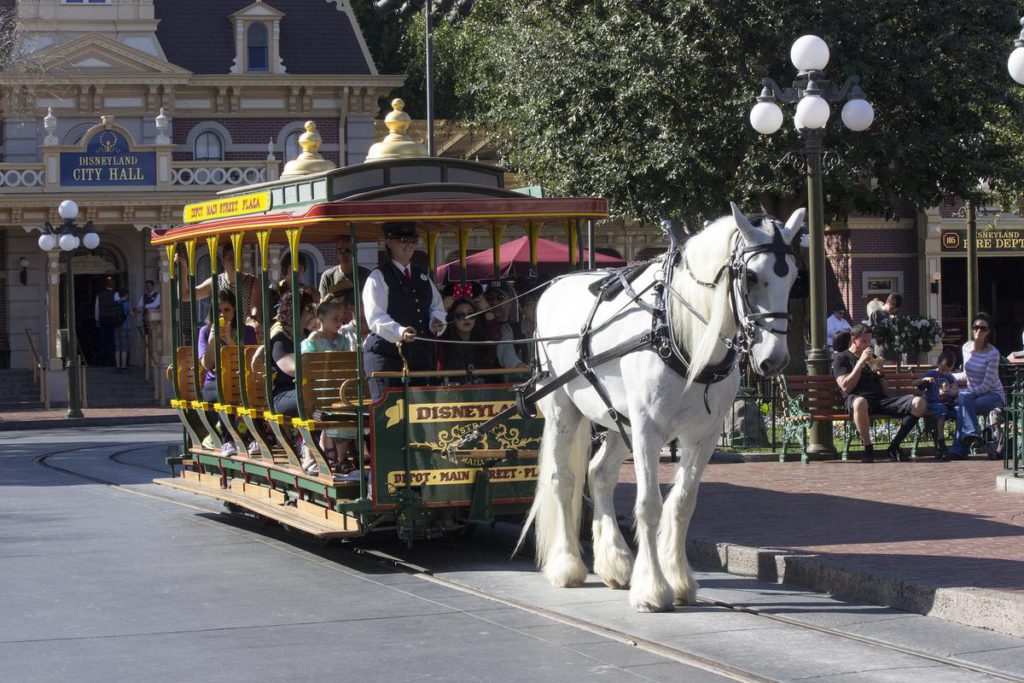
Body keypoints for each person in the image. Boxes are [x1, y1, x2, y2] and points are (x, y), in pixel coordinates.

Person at [362, 222, 446, 400]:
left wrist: (436, 321)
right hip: (386, 357)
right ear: (389, 242)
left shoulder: (422, 276)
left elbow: (436, 307)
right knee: (390, 412)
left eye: (412, 240)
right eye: (402, 240)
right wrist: (399, 331)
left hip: (418, 357)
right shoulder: (378, 277)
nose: (409, 245)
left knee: (421, 414)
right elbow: (375, 317)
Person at [832, 323, 928, 463]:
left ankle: (894, 446)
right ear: (853, 340)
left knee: (918, 403)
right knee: (860, 402)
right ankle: (868, 449)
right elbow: (846, 387)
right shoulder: (841, 358)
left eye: (869, 341)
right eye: (864, 341)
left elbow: (886, 390)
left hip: (880, 399)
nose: (868, 344)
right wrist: (860, 363)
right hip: (857, 400)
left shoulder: (873, 357)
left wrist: (880, 374)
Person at [197, 289, 257, 455]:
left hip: (240, 379)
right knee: (225, 387)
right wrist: (212, 340)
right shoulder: (205, 331)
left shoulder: (247, 332)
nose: (222, 315)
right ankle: (227, 440)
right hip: (214, 383)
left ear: (234, 311)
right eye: (219, 311)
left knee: (256, 387)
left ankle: (255, 437)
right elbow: (207, 365)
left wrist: (230, 341)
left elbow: (249, 362)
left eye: (227, 310)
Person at [301, 294, 356, 471]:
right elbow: (307, 365)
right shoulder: (313, 340)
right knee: (331, 410)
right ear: (322, 319)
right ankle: (334, 453)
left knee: (346, 410)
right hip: (319, 391)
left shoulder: (342, 340)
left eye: (341, 319)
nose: (339, 323)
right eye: (335, 319)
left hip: (337, 390)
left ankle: (341, 457)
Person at [948, 312, 1005, 460]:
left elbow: (986, 385)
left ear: (988, 332)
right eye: (975, 327)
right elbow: (966, 374)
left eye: (983, 328)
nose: (978, 331)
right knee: (963, 405)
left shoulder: (993, 354)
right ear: (972, 329)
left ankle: (960, 448)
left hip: (993, 395)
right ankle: (970, 437)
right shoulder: (966, 348)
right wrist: (948, 376)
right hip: (972, 396)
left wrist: (965, 393)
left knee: (963, 403)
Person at [194, 245, 260, 325]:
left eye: (237, 257)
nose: (234, 261)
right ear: (223, 261)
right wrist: (182, 267)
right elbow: (186, 295)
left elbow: (255, 307)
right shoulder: (216, 281)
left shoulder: (252, 281)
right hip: (222, 330)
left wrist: (252, 319)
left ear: (241, 260)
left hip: (244, 331)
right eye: (230, 257)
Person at [437, 298, 496, 380]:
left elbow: (495, 337)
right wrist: (441, 311)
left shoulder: (482, 340)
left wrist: (488, 310)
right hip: (452, 390)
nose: (466, 318)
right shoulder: (444, 342)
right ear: (452, 318)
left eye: (471, 314)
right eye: (460, 315)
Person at [917, 348, 959, 459]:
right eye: (943, 369)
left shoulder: (950, 377)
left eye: (948, 370)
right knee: (941, 408)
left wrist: (949, 392)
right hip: (933, 404)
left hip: (948, 405)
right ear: (938, 363)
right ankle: (941, 440)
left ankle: (959, 444)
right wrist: (925, 380)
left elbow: (955, 390)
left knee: (961, 413)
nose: (945, 372)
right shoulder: (932, 373)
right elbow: (914, 383)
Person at [319, 234, 372, 300]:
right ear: (336, 252)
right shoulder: (328, 276)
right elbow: (322, 305)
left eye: (349, 250)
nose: (345, 254)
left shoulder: (367, 275)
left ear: (355, 252)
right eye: (341, 250)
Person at [497, 289, 539, 371]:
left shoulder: (548, 330)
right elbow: (506, 352)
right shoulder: (509, 329)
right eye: (530, 305)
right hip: (517, 380)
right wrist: (519, 365)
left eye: (538, 304)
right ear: (521, 308)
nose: (535, 309)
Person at [94, 277, 121, 367]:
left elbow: (97, 308)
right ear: (113, 285)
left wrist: (97, 319)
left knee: (103, 340)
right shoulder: (115, 294)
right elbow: (118, 305)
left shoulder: (99, 295)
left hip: (102, 318)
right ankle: (111, 361)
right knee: (111, 340)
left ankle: (103, 361)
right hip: (111, 319)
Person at [869, 293, 902, 361]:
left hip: (895, 353)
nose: (893, 311)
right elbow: (870, 333)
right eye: (892, 308)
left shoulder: (897, 315)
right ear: (887, 301)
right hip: (880, 352)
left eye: (896, 309)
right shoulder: (876, 314)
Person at [113, 287, 133, 371]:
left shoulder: (116, 303)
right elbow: (132, 314)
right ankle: (123, 365)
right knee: (124, 347)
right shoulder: (127, 304)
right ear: (126, 295)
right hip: (125, 326)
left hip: (116, 326)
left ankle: (118, 365)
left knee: (117, 347)